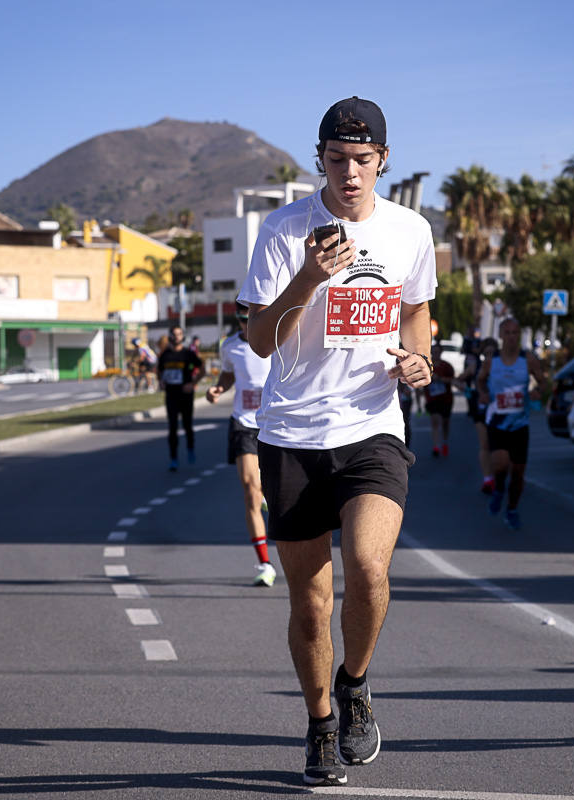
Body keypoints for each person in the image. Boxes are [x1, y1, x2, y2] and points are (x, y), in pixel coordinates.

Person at [241, 96, 436, 787]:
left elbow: (417, 312)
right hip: (292, 430)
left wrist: (420, 360)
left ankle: (355, 683)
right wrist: (307, 275)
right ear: (318, 158)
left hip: (372, 425)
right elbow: (259, 340)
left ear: (383, 160)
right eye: (336, 159)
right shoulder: (282, 229)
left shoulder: (411, 230)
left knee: (370, 569)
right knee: (311, 602)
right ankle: (321, 722)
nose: (349, 172)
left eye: (362, 159)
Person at [206, 301, 277, 587]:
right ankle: (264, 563)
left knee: (273, 491)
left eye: (251, 319)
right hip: (244, 424)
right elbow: (228, 374)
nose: (246, 327)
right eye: (241, 321)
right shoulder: (230, 347)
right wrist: (218, 388)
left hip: (275, 424)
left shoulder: (278, 339)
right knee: (250, 488)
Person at [477, 318, 546, 529]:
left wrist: (538, 392)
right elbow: (480, 380)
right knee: (500, 463)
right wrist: (483, 394)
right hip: (497, 421)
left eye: (515, 333)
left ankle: (512, 508)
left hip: (519, 423)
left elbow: (543, 382)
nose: (511, 337)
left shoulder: (529, 360)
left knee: (517, 473)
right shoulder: (491, 360)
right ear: (500, 335)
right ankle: (499, 489)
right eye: (507, 333)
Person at [157, 325, 203, 471]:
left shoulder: (188, 354)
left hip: (186, 395)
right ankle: (173, 459)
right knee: (172, 427)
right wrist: (161, 381)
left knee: (187, 425)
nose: (176, 337)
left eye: (179, 334)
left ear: (182, 337)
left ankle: (190, 448)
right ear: (170, 336)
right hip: (171, 395)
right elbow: (159, 371)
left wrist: (193, 383)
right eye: (174, 334)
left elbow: (202, 369)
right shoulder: (165, 355)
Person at [461, 336, 497, 493]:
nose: (489, 356)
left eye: (493, 353)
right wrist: (467, 390)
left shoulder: (503, 366)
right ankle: (487, 479)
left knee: (498, 446)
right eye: (486, 353)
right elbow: (459, 379)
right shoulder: (476, 366)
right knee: (485, 444)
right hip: (480, 408)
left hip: (499, 410)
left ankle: (498, 476)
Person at [425, 342, 455, 457]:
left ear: (441, 352)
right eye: (434, 352)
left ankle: (445, 443)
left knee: (445, 422)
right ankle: (436, 446)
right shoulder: (427, 366)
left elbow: (452, 380)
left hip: (446, 399)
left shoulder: (447, 366)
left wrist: (440, 379)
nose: (435, 354)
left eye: (438, 352)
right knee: (435, 421)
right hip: (432, 399)